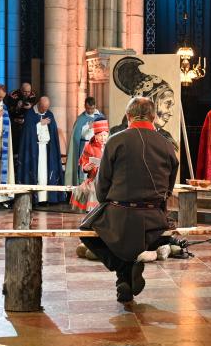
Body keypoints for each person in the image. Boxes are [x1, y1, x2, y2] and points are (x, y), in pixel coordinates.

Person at [80, 97, 179, 303]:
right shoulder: (167, 145)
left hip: (120, 215)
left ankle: (123, 271)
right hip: (155, 222)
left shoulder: (115, 141)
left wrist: (111, 201)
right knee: (164, 236)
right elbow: (168, 189)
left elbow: (102, 188)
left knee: (86, 231)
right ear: (153, 117)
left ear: (128, 116)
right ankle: (127, 272)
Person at [17, 95, 67, 204]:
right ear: (39, 104)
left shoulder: (49, 114)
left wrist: (48, 125)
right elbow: (28, 133)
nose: (45, 110)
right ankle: (37, 198)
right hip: (35, 150)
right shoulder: (30, 114)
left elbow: (53, 131)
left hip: (47, 150)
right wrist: (40, 124)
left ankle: (48, 198)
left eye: (47, 108)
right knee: (38, 173)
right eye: (43, 108)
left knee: (46, 173)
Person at [71, 117, 109, 212]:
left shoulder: (111, 145)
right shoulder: (89, 146)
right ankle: (92, 214)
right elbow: (84, 162)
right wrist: (86, 167)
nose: (103, 138)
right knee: (92, 190)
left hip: (108, 178)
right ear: (95, 135)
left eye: (105, 135)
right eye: (100, 135)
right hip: (94, 178)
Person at [65, 96, 103, 186]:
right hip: (84, 146)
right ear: (85, 107)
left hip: (96, 147)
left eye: (92, 108)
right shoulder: (81, 119)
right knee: (84, 167)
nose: (90, 111)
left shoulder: (100, 117)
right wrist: (87, 128)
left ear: (95, 106)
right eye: (88, 108)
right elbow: (77, 135)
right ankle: (83, 188)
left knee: (96, 168)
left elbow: (104, 132)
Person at [6, 81, 37, 157]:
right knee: (15, 139)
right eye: (25, 92)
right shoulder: (13, 95)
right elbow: (8, 111)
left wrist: (31, 107)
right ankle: (15, 156)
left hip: (25, 120)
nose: (27, 94)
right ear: (20, 90)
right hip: (14, 119)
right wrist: (17, 107)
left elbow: (34, 108)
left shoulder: (32, 95)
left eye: (28, 92)